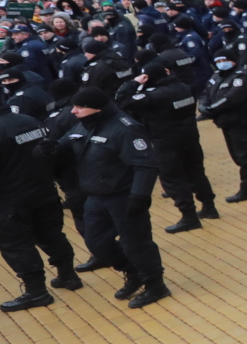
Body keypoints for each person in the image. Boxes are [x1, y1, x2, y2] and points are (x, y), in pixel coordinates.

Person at [0, 82, 81, 312]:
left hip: (8, 200)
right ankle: (68, 276)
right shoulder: (30, 121)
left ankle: (36, 292)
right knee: (51, 235)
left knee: (16, 244)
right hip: (43, 191)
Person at [62, 86, 168, 308]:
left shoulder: (125, 129)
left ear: (97, 108)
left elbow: (146, 165)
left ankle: (155, 285)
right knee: (96, 243)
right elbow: (65, 144)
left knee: (136, 244)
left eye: (80, 107)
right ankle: (133, 272)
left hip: (124, 197)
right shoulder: (85, 124)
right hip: (95, 197)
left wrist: (139, 197)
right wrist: (50, 149)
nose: (74, 111)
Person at [122, 50, 217, 233]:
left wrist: (134, 83)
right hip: (189, 137)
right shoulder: (183, 87)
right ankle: (209, 207)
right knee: (196, 173)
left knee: (173, 179)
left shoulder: (155, 95)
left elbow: (123, 101)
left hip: (165, 141)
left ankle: (189, 216)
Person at [199, 50, 247, 201]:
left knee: (245, 156)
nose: (220, 64)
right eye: (217, 61)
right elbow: (206, 93)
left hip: (242, 122)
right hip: (226, 122)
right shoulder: (216, 75)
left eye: (223, 60)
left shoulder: (242, 77)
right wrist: (203, 106)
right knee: (239, 156)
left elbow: (231, 98)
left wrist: (211, 109)